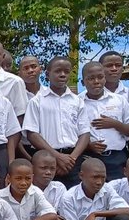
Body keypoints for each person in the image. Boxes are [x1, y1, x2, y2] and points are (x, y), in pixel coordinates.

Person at [24, 57, 89, 187]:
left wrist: (71, 159)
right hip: (46, 160)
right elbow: (32, 133)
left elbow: (85, 133)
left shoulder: (77, 101)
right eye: (58, 71)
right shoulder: (37, 101)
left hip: (73, 160)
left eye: (66, 71)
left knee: (73, 199)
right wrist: (57, 157)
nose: (63, 74)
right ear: (48, 74)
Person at [79, 61, 129, 181]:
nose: (96, 81)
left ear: (105, 79)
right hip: (88, 157)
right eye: (91, 78)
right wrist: (88, 145)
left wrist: (115, 124)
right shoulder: (77, 102)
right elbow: (70, 132)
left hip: (117, 159)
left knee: (116, 195)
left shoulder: (119, 100)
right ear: (83, 82)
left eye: (100, 77)